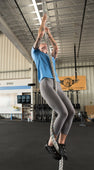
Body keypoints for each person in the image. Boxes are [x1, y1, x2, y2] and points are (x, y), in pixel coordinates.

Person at [31, 14, 75, 160]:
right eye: (43, 46)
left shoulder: (51, 58)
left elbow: (55, 47)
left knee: (71, 112)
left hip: (57, 84)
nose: (45, 47)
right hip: (46, 83)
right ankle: (50, 144)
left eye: (46, 47)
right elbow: (38, 39)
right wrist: (43, 24)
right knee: (62, 112)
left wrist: (49, 35)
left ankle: (61, 144)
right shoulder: (36, 53)